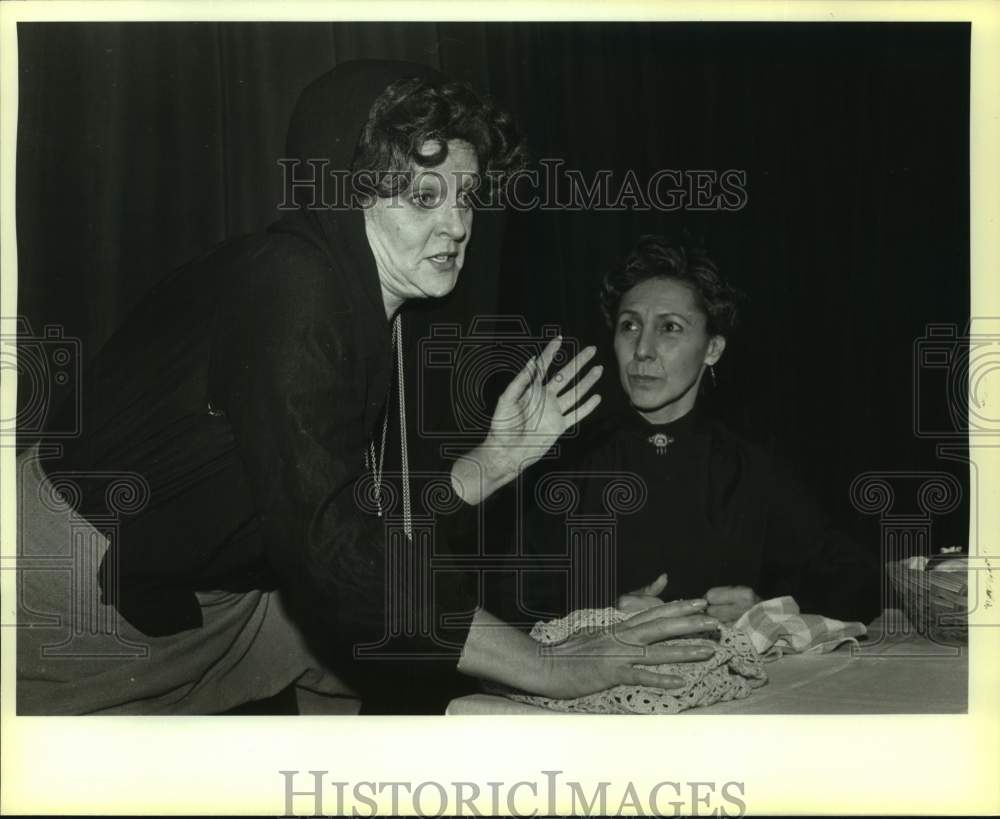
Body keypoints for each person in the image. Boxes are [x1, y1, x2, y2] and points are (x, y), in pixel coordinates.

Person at [16, 61, 720, 715]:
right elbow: (338, 554)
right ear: (347, 191)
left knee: (390, 676)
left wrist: (492, 461)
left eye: (467, 197)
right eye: (424, 196)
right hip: (64, 591)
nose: (458, 225)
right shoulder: (294, 286)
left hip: (215, 588)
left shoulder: (363, 301)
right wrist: (549, 664)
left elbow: (357, 522)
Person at [517, 234, 881, 627]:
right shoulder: (567, 465)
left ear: (712, 350)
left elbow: (860, 580)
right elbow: (503, 603)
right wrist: (601, 615)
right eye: (629, 326)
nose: (642, 349)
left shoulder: (751, 470)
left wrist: (766, 608)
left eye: (670, 328)